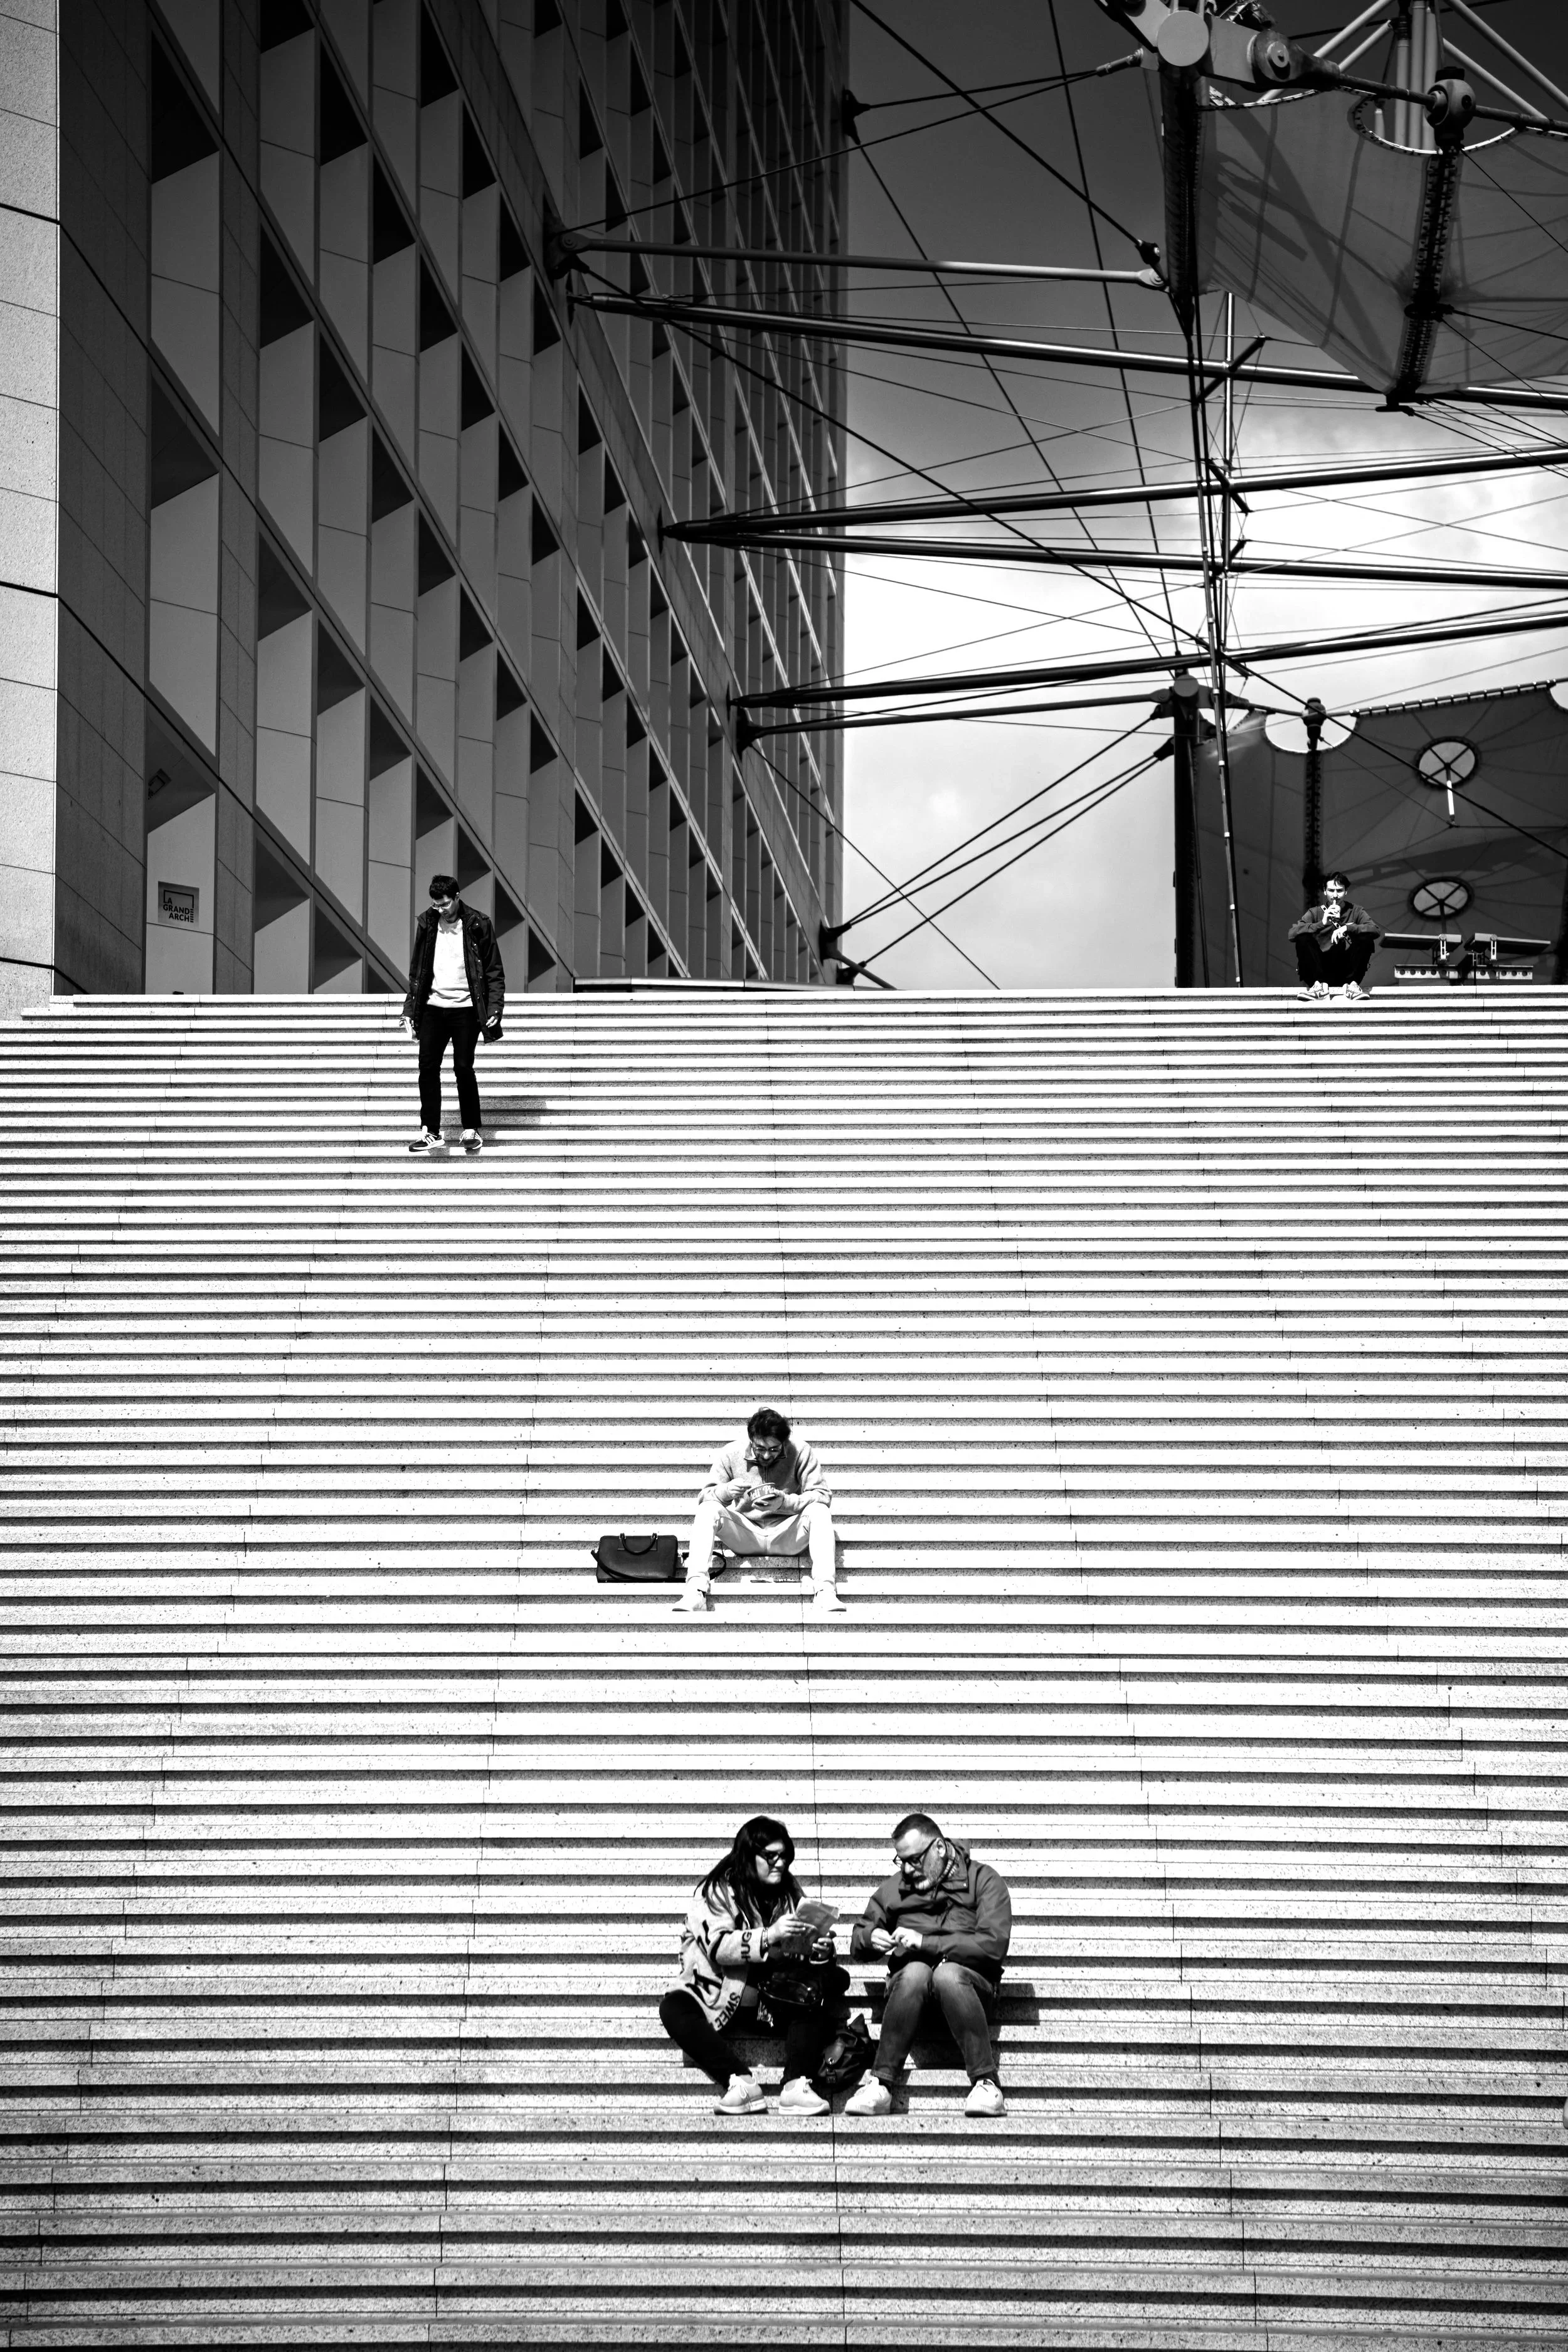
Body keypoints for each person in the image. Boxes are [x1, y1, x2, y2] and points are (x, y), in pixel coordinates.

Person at [659, 1814, 845, 2116]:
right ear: (749, 1856)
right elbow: (718, 1946)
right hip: (718, 1994)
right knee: (673, 2007)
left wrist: (818, 1949)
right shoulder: (716, 1892)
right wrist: (771, 1935)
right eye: (770, 1856)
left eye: (785, 1856)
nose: (780, 1864)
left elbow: (801, 1952)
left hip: (775, 1998)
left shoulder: (790, 1892)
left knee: (822, 1988)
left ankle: (797, 2085)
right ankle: (741, 2083)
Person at [845, 1811, 1012, 2119]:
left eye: (915, 1859)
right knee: (916, 1971)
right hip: (910, 1991)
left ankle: (986, 2082)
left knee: (947, 1974)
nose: (908, 1869)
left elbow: (994, 1945)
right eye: (901, 1860)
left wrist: (926, 1943)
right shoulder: (894, 1889)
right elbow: (858, 1939)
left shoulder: (984, 1880)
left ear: (939, 1847)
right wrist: (871, 1938)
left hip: (970, 1990)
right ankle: (880, 2084)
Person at [674, 1406, 845, 1616]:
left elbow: (823, 1495)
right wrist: (726, 1491)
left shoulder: (801, 1451)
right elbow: (704, 1498)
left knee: (820, 1511)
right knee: (708, 1510)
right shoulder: (731, 1453)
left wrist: (785, 1502)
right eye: (760, 1448)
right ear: (751, 1440)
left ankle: (825, 1591)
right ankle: (695, 1592)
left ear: (784, 1443)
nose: (766, 1454)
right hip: (746, 1534)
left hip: (787, 1534)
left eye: (774, 1449)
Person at [400, 874, 505, 1153]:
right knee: (427, 1068)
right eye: (436, 905)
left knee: (462, 1068)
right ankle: (431, 1132)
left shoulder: (478, 923)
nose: (441, 909)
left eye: (445, 904)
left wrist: (495, 1007)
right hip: (434, 1007)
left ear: (457, 896)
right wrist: (409, 1009)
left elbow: (494, 971)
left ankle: (471, 1129)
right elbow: (417, 972)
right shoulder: (427, 923)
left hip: (467, 1009)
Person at [1288, 872, 1382, 1002]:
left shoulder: (1356, 911)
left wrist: (1348, 927)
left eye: (1340, 890)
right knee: (1303, 938)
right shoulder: (1315, 912)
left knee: (1366, 938)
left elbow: (1375, 930)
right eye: (1331, 890)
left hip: (1347, 971)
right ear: (1325, 892)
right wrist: (1322, 923)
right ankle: (1318, 988)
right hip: (1319, 970)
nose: (1336, 895)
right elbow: (1292, 934)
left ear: (1346, 892)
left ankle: (1352, 987)